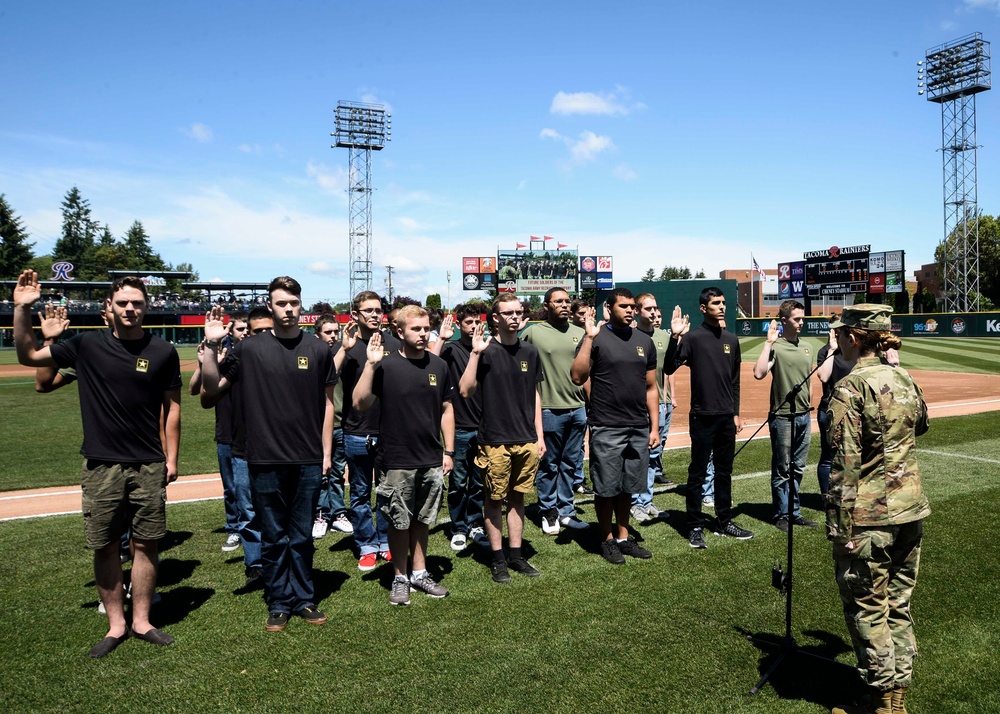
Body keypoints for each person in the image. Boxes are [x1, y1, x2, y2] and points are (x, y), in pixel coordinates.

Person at [13, 270, 181, 657]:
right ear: (109, 306)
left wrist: (171, 459)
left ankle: (142, 622)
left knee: (147, 544)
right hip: (101, 464)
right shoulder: (86, 345)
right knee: (104, 545)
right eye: (122, 302)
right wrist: (23, 311)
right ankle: (116, 625)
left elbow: (172, 410)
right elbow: (30, 357)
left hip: (148, 464)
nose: (129, 309)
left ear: (147, 307)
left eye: (137, 303)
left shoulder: (163, 351)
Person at [201, 276, 335, 632]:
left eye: (293, 303)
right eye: (280, 303)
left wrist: (324, 453)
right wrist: (212, 349)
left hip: (307, 458)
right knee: (274, 536)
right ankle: (279, 601)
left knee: (303, 535)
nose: (287, 310)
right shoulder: (249, 349)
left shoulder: (319, 350)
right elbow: (209, 393)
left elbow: (327, 405)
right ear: (270, 305)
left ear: (300, 304)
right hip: (263, 458)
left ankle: (304, 597)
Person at [826, 305, 930, 714]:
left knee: (867, 608)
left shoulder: (850, 388)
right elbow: (920, 424)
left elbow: (845, 463)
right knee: (898, 604)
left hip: (868, 517)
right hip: (911, 509)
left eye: (840, 335)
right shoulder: (904, 376)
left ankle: (882, 703)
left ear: (854, 338)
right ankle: (896, 696)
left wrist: (839, 526)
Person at [353, 305, 455, 606]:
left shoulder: (438, 366)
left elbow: (447, 409)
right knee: (398, 523)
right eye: (416, 329)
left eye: (426, 329)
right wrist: (370, 366)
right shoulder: (384, 365)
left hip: (431, 458)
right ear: (399, 331)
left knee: (423, 520)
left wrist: (448, 450)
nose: (423, 334)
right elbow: (359, 404)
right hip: (395, 460)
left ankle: (420, 572)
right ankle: (400, 576)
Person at [459, 294, 545, 583]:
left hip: (526, 439)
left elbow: (534, 395)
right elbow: (465, 390)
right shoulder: (485, 350)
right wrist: (475, 354)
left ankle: (517, 555)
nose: (515, 317)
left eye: (519, 312)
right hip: (494, 439)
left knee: (518, 498)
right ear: (495, 317)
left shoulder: (530, 352)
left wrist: (539, 436)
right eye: (508, 313)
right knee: (494, 499)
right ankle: (498, 560)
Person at [571, 288, 658, 564]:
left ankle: (623, 537)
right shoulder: (596, 338)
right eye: (623, 306)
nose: (630, 310)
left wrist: (654, 427)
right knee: (606, 487)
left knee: (628, 486)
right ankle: (606, 539)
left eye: (632, 306)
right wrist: (588, 337)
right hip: (606, 424)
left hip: (637, 425)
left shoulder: (644, 340)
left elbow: (651, 387)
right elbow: (577, 375)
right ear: (609, 309)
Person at [664, 288, 754, 548]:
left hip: (726, 417)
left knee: (724, 472)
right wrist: (674, 337)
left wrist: (735, 413)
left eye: (724, 302)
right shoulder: (692, 338)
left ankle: (724, 520)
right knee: (698, 473)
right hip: (702, 416)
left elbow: (735, 382)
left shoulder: (731, 340)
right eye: (716, 303)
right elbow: (669, 367)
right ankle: (694, 525)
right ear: (704, 308)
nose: (722, 306)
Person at [197, 306, 270, 591]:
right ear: (247, 334)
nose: (263, 337)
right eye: (257, 332)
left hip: (281, 447)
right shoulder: (239, 357)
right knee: (249, 511)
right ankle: (255, 565)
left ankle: (280, 562)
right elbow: (207, 394)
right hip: (244, 447)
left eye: (268, 331)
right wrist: (213, 349)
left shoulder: (287, 356)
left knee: (279, 511)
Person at [339, 292, 401, 571]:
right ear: (355, 314)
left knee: (387, 491)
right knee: (361, 493)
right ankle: (366, 543)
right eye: (368, 310)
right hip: (356, 430)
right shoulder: (348, 345)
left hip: (389, 429)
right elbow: (323, 378)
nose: (375, 315)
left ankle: (387, 541)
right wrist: (343, 349)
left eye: (378, 310)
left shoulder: (395, 343)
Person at [523, 288, 590, 535]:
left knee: (570, 463)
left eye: (566, 301)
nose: (564, 304)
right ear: (547, 305)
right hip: (548, 408)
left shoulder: (580, 333)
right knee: (549, 464)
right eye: (558, 301)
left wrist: (589, 404)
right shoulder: (533, 332)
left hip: (577, 408)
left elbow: (586, 372)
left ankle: (566, 511)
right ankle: (548, 511)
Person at [753, 299, 819, 533]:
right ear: (784, 321)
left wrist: (809, 407)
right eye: (796, 319)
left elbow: (809, 382)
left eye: (802, 319)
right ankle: (781, 513)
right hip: (782, 417)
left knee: (798, 468)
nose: (801, 323)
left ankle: (795, 512)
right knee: (782, 468)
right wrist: (768, 344)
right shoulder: (777, 347)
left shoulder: (808, 347)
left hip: (803, 416)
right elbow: (759, 373)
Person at [190, 312, 248, 553]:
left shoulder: (255, 357)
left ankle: (252, 528)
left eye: (247, 328)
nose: (244, 332)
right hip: (226, 431)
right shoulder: (223, 358)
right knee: (231, 486)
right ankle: (234, 527)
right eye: (239, 329)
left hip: (250, 432)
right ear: (229, 333)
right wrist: (208, 363)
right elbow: (195, 389)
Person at [435, 305, 490, 551]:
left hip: (485, 425)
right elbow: (430, 365)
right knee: (458, 483)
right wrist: (440, 339)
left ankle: (476, 523)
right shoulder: (451, 350)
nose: (473, 325)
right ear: (459, 325)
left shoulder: (487, 349)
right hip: (458, 427)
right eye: (468, 322)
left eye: (476, 321)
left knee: (479, 482)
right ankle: (458, 527)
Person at [629, 293, 676, 523]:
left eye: (655, 308)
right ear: (637, 311)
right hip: (636, 405)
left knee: (653, 455)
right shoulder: (630, 335)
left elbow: (671, 367)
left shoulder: (663, 337)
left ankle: (645, 501)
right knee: (638, 455)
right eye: (648, 308)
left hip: (660, 404)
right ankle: (634, 502)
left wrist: (677, 337)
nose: (653, 312)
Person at [311, 314, 354, 539]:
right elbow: (328, 374)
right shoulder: (314, 354)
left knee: (337, 473)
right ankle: (321, 514)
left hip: (340, 423)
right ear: (317, 333)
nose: (333, 336)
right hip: (318, 426)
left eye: (335, 332)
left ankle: (338, 513)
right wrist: (344, 350)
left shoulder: (342, 352)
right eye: (328, 332)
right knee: (321, 473)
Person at [815, 318, 854, 496]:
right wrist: (831, 349)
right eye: (836, 329)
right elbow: (823, 376)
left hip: (852, 410)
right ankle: (826, 497)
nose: (839, 332)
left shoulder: (853, 351)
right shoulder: (825, 352)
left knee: (851, 454)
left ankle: (847, 494)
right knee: (828, 457)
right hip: (829, 411)